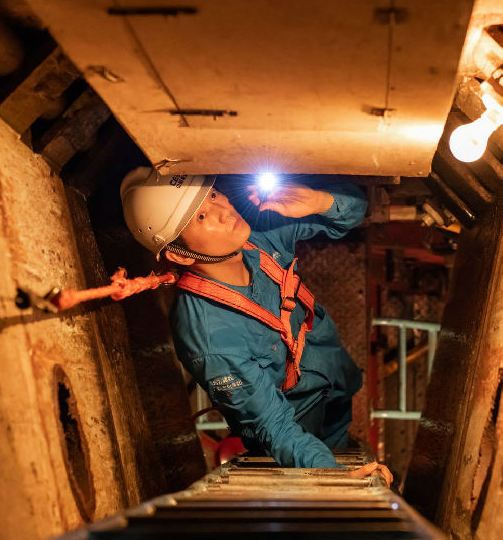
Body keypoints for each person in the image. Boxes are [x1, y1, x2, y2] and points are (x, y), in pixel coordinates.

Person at [120, 168, 392, 484]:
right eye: (202, 217)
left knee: (340, 439)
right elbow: (274, 426)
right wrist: (335, 477)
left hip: (334, 385)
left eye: (213, 195)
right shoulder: (209, 335)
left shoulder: (257, 235)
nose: (224, 212)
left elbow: (356, 210)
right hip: (297, 430)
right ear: (179, 256)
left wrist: (318, 200)